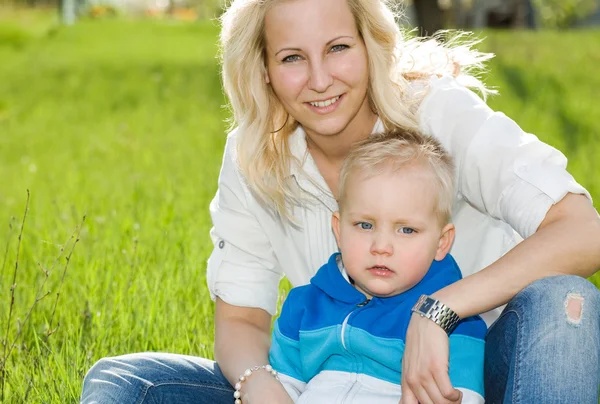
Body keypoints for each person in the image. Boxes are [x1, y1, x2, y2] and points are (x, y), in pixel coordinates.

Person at [80, 0, 600, 402]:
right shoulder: (253, 155)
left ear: (368, 43)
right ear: (262, 68)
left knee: (565, 303)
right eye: (291, 58)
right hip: (326, 383)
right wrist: (260, 385)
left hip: (474, 373)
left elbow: (584, 231)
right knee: (126, 382)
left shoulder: (438, 114)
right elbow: (241, 322)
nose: (320, 79)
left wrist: (441, 311)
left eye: (337, 48)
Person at [268, 128, 487, 404]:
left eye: (406, 230)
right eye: (365, 225)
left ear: (441, 242)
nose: (381, 246)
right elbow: (280, 386)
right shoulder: (305, 305)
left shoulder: (455, 323)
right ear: (339, 229)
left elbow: (460, 397)